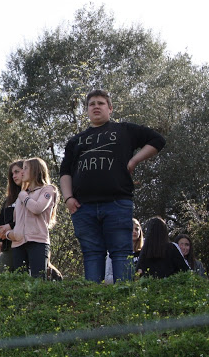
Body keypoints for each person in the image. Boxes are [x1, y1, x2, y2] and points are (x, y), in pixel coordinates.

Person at [59, 89, 166, 283]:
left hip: (117, 202)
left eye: (100, 103)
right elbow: (65, 172)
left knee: (121, 252)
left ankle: (123, 300)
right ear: (87, 110)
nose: (96, 107)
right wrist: (68, 198)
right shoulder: (75, 141)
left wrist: (133, 162)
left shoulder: (124, 130)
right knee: (92, 253)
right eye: (92, 104)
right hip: (83, 207)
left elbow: (158, 140)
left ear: (110, 108)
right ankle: (94, 300)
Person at [6, 158, 59, 279]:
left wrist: (24, 196)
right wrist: (10, 234)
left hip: (38, 241)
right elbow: (16, 221)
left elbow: (37, 208)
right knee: (19, 283)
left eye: (25, 168)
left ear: (35, 170)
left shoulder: (48, 190)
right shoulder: (22, 194)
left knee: (38, 281)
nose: (22, 172)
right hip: (18, 244)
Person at [0, 160, 24, 274]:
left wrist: (10, 226)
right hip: (8, 247)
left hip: (26, 247)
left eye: (17, 172)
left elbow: (29, 220)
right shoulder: (9, 200)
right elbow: (0, 221)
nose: (14, 176)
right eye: (12, 174)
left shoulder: (33, 195)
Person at [105, 218, 143, 284]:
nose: (134, 231)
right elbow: (107, 279)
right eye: (131, 229)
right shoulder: (114, 253)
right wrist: (129, 278)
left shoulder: (144, 253)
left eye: (137, 229)